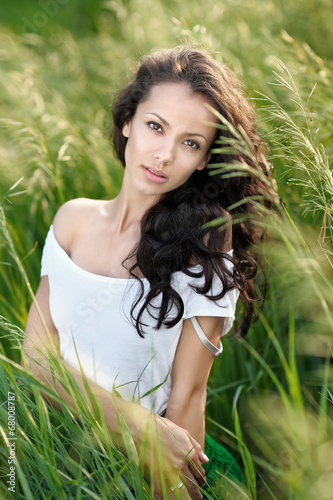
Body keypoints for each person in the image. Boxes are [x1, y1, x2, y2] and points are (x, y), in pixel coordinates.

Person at [22, 46, 274, 499]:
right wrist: (140, 423)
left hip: (136, 467)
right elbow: (35, 362)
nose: (163, 155)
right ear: (127, 121)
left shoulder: (205, 246)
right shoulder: (71, 221)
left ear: (203, 160)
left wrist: (160, 457)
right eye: (155, 127)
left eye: (190, 143)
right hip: (45, 443)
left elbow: (187, 398)